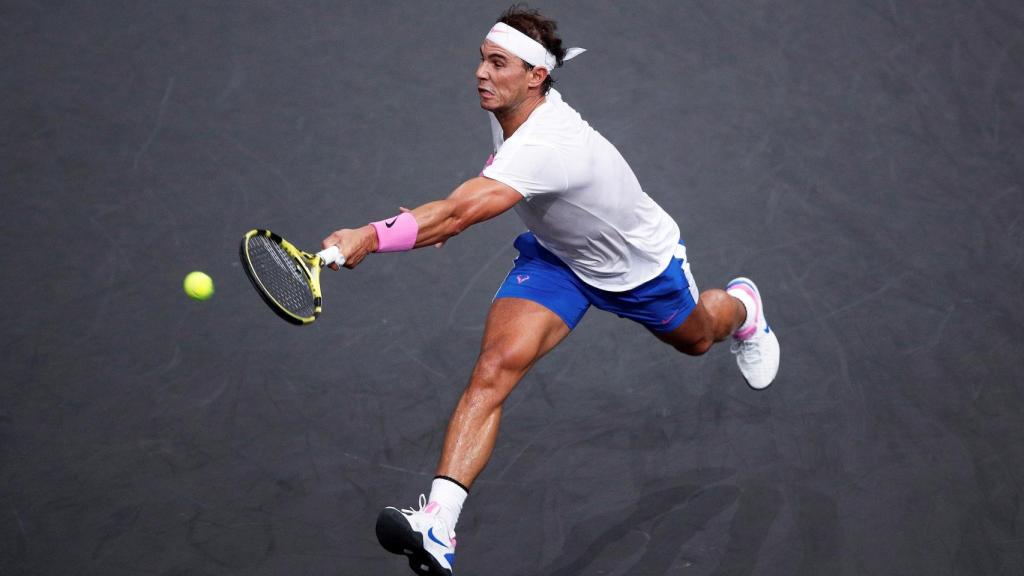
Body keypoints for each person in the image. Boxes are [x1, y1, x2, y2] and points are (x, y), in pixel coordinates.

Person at [320, 6, 780, 575]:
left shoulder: (551, 143)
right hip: (559, 260)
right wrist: (424, 224)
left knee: (697, 338)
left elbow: (465, 208)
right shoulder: (512, 110)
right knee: (495, 367)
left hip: (638, 269)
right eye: (481, 60)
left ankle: (744, 310)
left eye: (497, 63)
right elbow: (483, 186)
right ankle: (438, 522)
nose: (480, 74)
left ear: (536, 75)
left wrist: (375, 234)